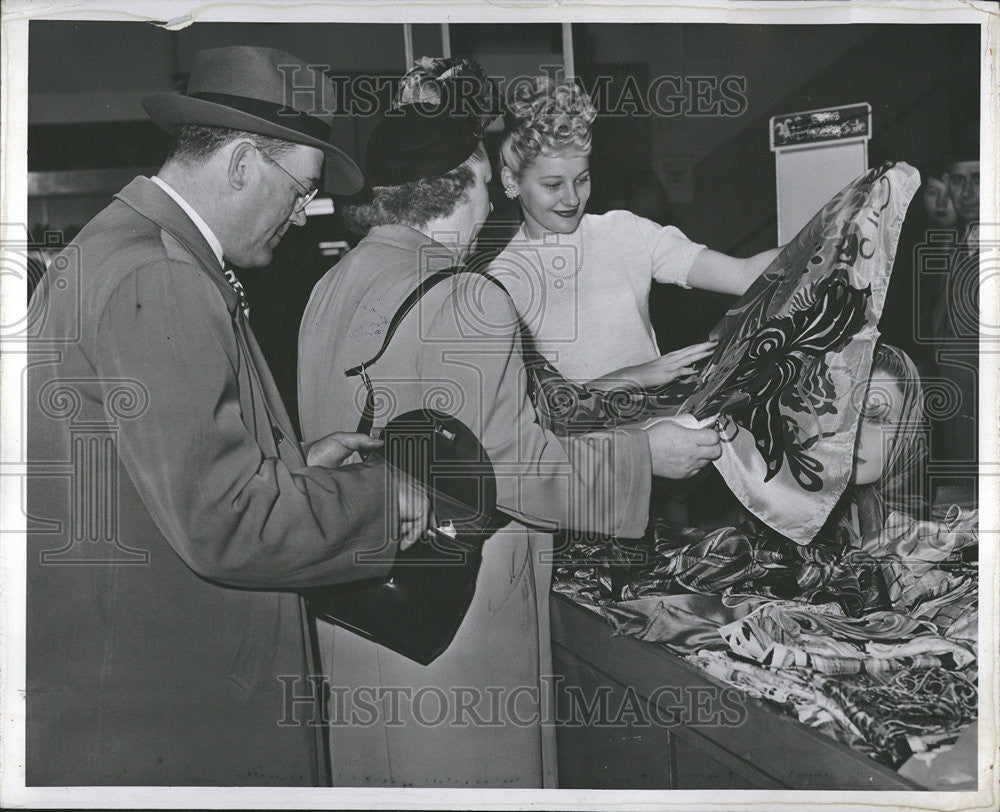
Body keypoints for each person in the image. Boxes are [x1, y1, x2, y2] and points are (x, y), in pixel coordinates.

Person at [25, 46, 429, 787]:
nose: (306, 214)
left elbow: (147, 479)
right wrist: (382, 498)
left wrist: (293, 470)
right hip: (179, 712)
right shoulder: (162, 273)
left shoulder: (121, 247)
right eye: (303, 190)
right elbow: (225, 523)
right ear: (243, 161)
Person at [297, 103, 721, 788]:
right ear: (452, 189)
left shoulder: (329, 286)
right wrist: (645, 456)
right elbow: (513, 469)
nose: (493, 197)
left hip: (359, 612)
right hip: (457, 623)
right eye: (483, 183)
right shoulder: (467, 293)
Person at [490, 77, 782, 385]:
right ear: (511, 181)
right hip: (584, 434)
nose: (572, 198)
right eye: (553, 185)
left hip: (661, 423)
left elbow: (745, 275)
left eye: (582, 179)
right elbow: (535, 411)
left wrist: (831, 230)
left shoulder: (625, 232)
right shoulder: (501, 281)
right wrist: (633, 376)